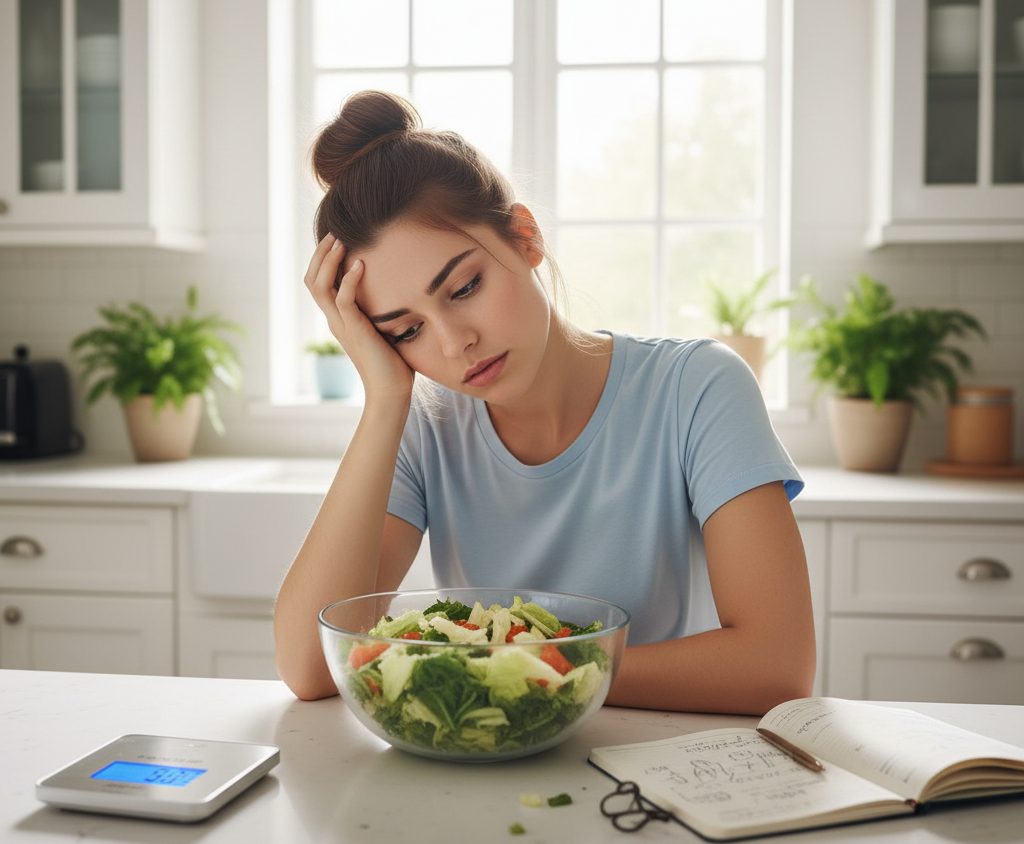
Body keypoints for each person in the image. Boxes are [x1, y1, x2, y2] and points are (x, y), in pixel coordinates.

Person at [274, 90, 815, 713]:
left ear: (525, 237)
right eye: (406, 330)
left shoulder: (697, 388)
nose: (455, 344)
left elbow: (778, 666)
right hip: (484, 770)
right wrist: (385, 398)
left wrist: (528, 671)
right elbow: (309, 667)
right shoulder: (426, 425)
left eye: (464, 286)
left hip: (651, 767)